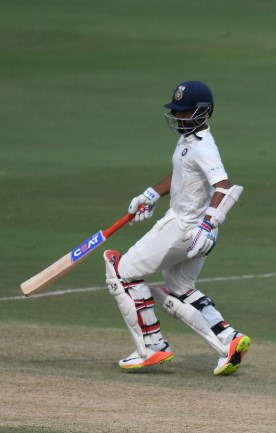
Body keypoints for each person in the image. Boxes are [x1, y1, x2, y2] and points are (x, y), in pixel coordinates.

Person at [103, 80, 250, 376]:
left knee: (122, 273)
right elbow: (180, 173)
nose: (179, 117)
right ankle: (229, 340)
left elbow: (222, 186)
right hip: (192, 229)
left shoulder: (204, 147)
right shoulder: (188, 141)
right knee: (180, 288)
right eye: (177, 111)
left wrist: (207, 225)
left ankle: (152, 347)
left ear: (202, 112)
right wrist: (152, 194)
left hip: (186, 228)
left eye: (184, 112)